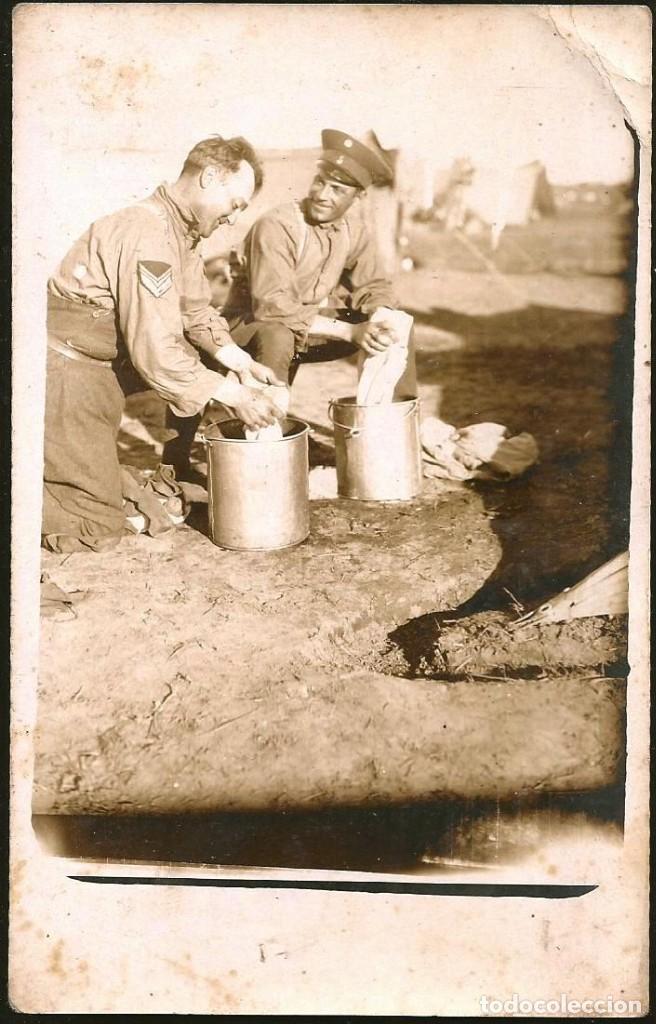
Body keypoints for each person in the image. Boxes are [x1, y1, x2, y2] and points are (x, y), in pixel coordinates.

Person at [43, 135, 285, 554]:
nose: (233, 218)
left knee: (110, 498)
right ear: (210, 177)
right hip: (66, 372)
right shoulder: (148, 233)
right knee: (96, 525)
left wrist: (239, 362)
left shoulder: (181, 234)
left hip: (96, 369)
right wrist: (232, 394)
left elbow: (194, 311)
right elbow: (155, 351)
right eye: (236, 204)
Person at [170, 129, 419, 471]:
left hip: (300, 326)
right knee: (277, 334)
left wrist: (380, 316)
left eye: (338, 190)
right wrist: (350, 333)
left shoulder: (353, 230)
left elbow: (373, 284)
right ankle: (266, 448)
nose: (322, 195)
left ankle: (386, 440)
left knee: (394, 325)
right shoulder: (280, 225)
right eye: (320, 182)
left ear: (357, 197)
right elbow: (272, 307)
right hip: (244, 329)